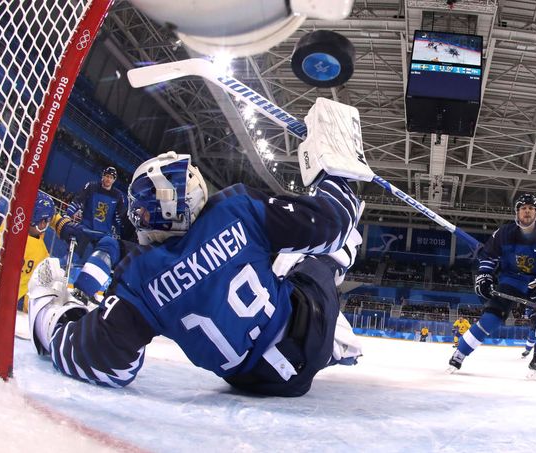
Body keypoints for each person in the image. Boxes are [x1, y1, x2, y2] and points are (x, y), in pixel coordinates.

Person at [28, 98, 373, 397]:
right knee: (325, 253)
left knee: (284, 261)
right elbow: (333, 222)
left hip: (258, 383)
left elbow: (104, 364)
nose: (139, 215)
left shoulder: (140, 277)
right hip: (313, 327)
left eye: (143, 208)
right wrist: (333, 168)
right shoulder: (236, 209)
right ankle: (335, 332)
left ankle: (332, 339)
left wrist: (51, 317)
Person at [448, 193, 536, 379]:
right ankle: (459, 353)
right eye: (523, 208)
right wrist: (484, 276)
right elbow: (488, 257)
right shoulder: (503, 233)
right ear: (517, 212)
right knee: (492, 317)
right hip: (511, 280)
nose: (527, 211)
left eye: (531, 208)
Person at [0, 191, 56, 312]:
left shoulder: (7, 224)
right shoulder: (40, 252)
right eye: (47, 221)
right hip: (12, 295)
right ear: (42, 223)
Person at [65, 166, 126, 255]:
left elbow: (119, 216)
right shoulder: (91, 186)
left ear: (114, 180)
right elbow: (78, 200)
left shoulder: (118, 195)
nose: (108, 179)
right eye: (107, 176)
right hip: (86, 229)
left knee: (100, 260)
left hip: (103, 234)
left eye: (111, 177)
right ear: (103, 176)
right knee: (74, 255)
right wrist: (68, 215)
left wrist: (118, 232)